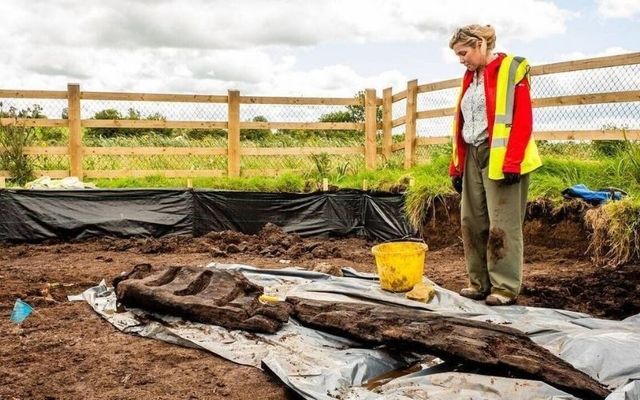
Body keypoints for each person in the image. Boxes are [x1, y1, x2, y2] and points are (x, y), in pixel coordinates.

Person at [448, 24, 542, 306]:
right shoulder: (469, 78)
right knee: (471, 220)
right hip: (473, 155)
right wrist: (457, 167)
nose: (461, 59)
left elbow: (523, 117)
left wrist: (512, 160)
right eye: (457, 55)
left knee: (502, 224)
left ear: (479, 44)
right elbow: (461, 124)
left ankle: (503, 288)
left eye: (463, 52)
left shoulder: (513, 68)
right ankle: (478, 283)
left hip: (501, 157)